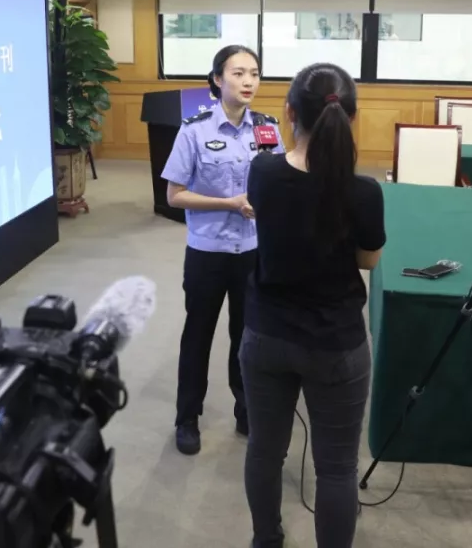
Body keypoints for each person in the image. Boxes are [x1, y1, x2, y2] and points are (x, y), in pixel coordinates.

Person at [239, 63, 385, 548]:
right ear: (352, 118)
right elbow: (368, 259)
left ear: (288, 113)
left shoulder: (262, 172)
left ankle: (266, 539)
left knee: (264, 451)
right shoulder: (364, 192)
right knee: (337, 468)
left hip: (267, 337)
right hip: (336, 346)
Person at [161, 44, 283, 456]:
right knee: (198, 335)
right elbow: (175, 196)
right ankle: (187, 418)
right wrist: (229, 203)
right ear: (217, 79)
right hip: (208, 252)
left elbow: (280, 183)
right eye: (238, 73)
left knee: (247, 337)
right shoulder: (193, 130)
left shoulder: (267, 129)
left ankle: (246, 410)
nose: (248, 81)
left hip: (252, 250)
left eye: (254, 73)